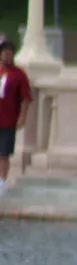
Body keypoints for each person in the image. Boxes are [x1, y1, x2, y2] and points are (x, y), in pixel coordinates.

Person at [0, 39, 33, 195]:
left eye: (9, 53)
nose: (7, 56)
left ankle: (2, 181)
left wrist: (22, 117)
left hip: (7, 119)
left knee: (4, 152)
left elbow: (26, 97)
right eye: (4, 53)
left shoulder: (18, 74)